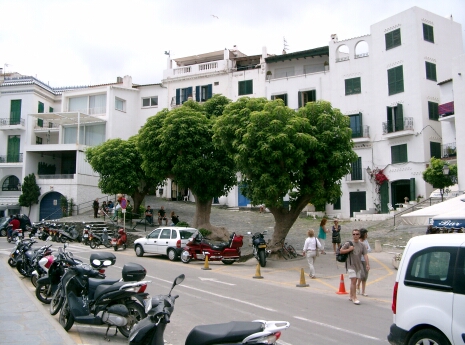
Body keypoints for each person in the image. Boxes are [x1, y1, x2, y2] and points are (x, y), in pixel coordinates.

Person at [340, 229, 370, 305]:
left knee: (354, 281)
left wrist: (367, 264)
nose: (355, 236)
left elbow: (365, 255)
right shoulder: (348, 243)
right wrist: (349, 249)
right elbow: (341, 251)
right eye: (354, 234)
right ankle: (354, 297)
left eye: (357, 234)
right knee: (353, 280)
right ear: (352, 235)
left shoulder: (362, 245)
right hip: (350, 265)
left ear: (359, 235)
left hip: (358, 265)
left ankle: (351, 295)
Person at [356, 228, 372, 297]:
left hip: (365, 260)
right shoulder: (358, 242)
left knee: (365, 276)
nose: (367, 235)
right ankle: (358, 285)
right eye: (366, 234)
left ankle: (363, 291)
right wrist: (364, 249)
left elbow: (369, 250)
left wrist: (365, 249)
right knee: (361, 274)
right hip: (359, 260)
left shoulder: (366, 241)